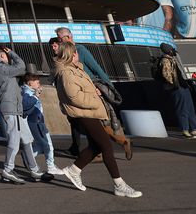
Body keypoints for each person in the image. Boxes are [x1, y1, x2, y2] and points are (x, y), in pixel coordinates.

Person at [55, 42, 142, 198]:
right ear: (72, 54)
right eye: (76, 53)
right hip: (84, 113)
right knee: (106, 145)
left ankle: (73, 170)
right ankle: (119, 184)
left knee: (96, 146)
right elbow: (74, 97)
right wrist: (95, 99)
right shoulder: (67, 73)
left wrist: (95, 90)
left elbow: (81, 90)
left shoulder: (76, 69)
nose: (78, 55)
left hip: (88, 112)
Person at [0, 46, 46, 184]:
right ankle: (7, 171)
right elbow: (21, 66)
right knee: (14, 141)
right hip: (10, 109)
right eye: (6, 55)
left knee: (26, 139)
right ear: (2, 56)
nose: (9, 58)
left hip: (15, 109)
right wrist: (12, 53)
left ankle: (34, 170)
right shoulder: (2, 69)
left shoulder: (2, 69)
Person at [153, 43, 196, 138]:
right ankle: (185, 129)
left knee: (190, 108)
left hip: (183, 86)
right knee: (182, 109)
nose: (174, 52)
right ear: (169, 50)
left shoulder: (171, 59)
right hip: (177, 87)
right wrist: (174, 84)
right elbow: (166, 74)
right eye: (172, 50)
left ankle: (195, 129)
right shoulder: (165, 60)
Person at [21, 73, 64, 176]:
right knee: (48, 146)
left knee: (41, 146)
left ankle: (28, 156)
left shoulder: (28, 91)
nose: (39, 84)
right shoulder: (27, 92)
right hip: (37, 122)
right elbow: (25, 104)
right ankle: (51, 167)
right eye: (37, 82)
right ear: (30, 83)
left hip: (37, 122)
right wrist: (36, 95)